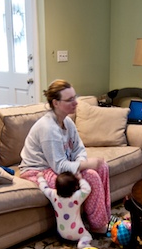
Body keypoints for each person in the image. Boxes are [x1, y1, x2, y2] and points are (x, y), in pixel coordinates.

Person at [20, 79, 111, 233]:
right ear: (55, 103)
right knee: (91, 176)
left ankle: (104, 217)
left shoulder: (67, 122)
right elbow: (59, 166)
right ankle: (98, 226)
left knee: (102, 167)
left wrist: (79, 164)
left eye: (75, 97)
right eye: (69, 100)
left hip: (58, 166)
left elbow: (79, 149)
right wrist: (85, 166)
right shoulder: (48, 128)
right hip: (38, 171)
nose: (75, 102)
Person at [37, 171, 92, 249]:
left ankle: (68, 240)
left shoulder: (53, 195)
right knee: (87, 235)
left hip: (61, 233)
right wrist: (81, 179)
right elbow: (87, 189)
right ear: (75, 187)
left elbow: (44, 188)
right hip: (77, 232)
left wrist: (40, 178)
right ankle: (82, 244)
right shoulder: (76, 197)